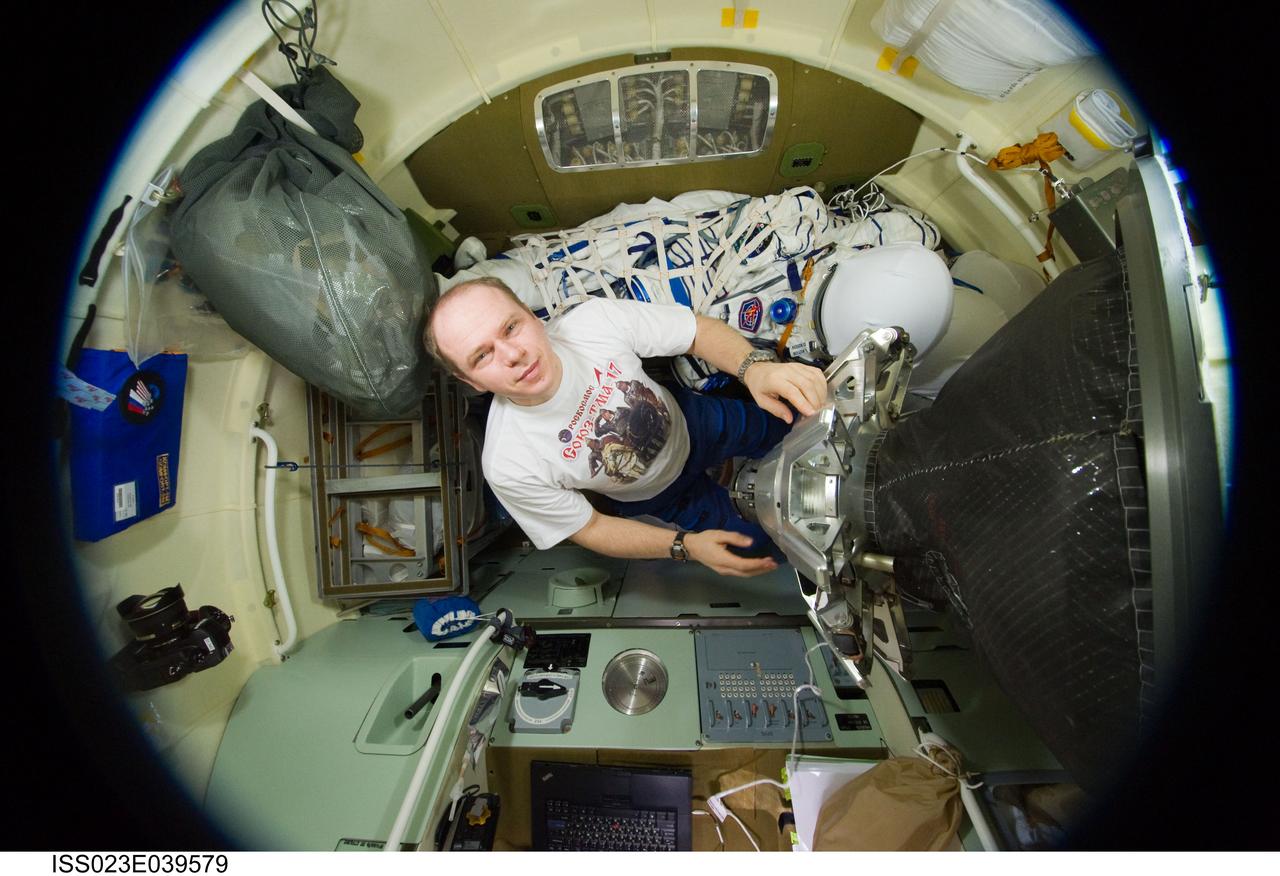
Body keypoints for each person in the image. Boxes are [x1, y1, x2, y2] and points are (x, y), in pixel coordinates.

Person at [424, 278, 828, 577]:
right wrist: (685, 546)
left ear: (533, 317)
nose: (513, 354)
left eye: (511, 327)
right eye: (482, 356)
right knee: (756, 548)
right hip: (659, 495)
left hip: (694, 422)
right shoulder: (507, 464)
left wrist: (754, 369)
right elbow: (590, 528)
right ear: (473, 383)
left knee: (791, 429)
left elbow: (696, 332)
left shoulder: (593, 322)